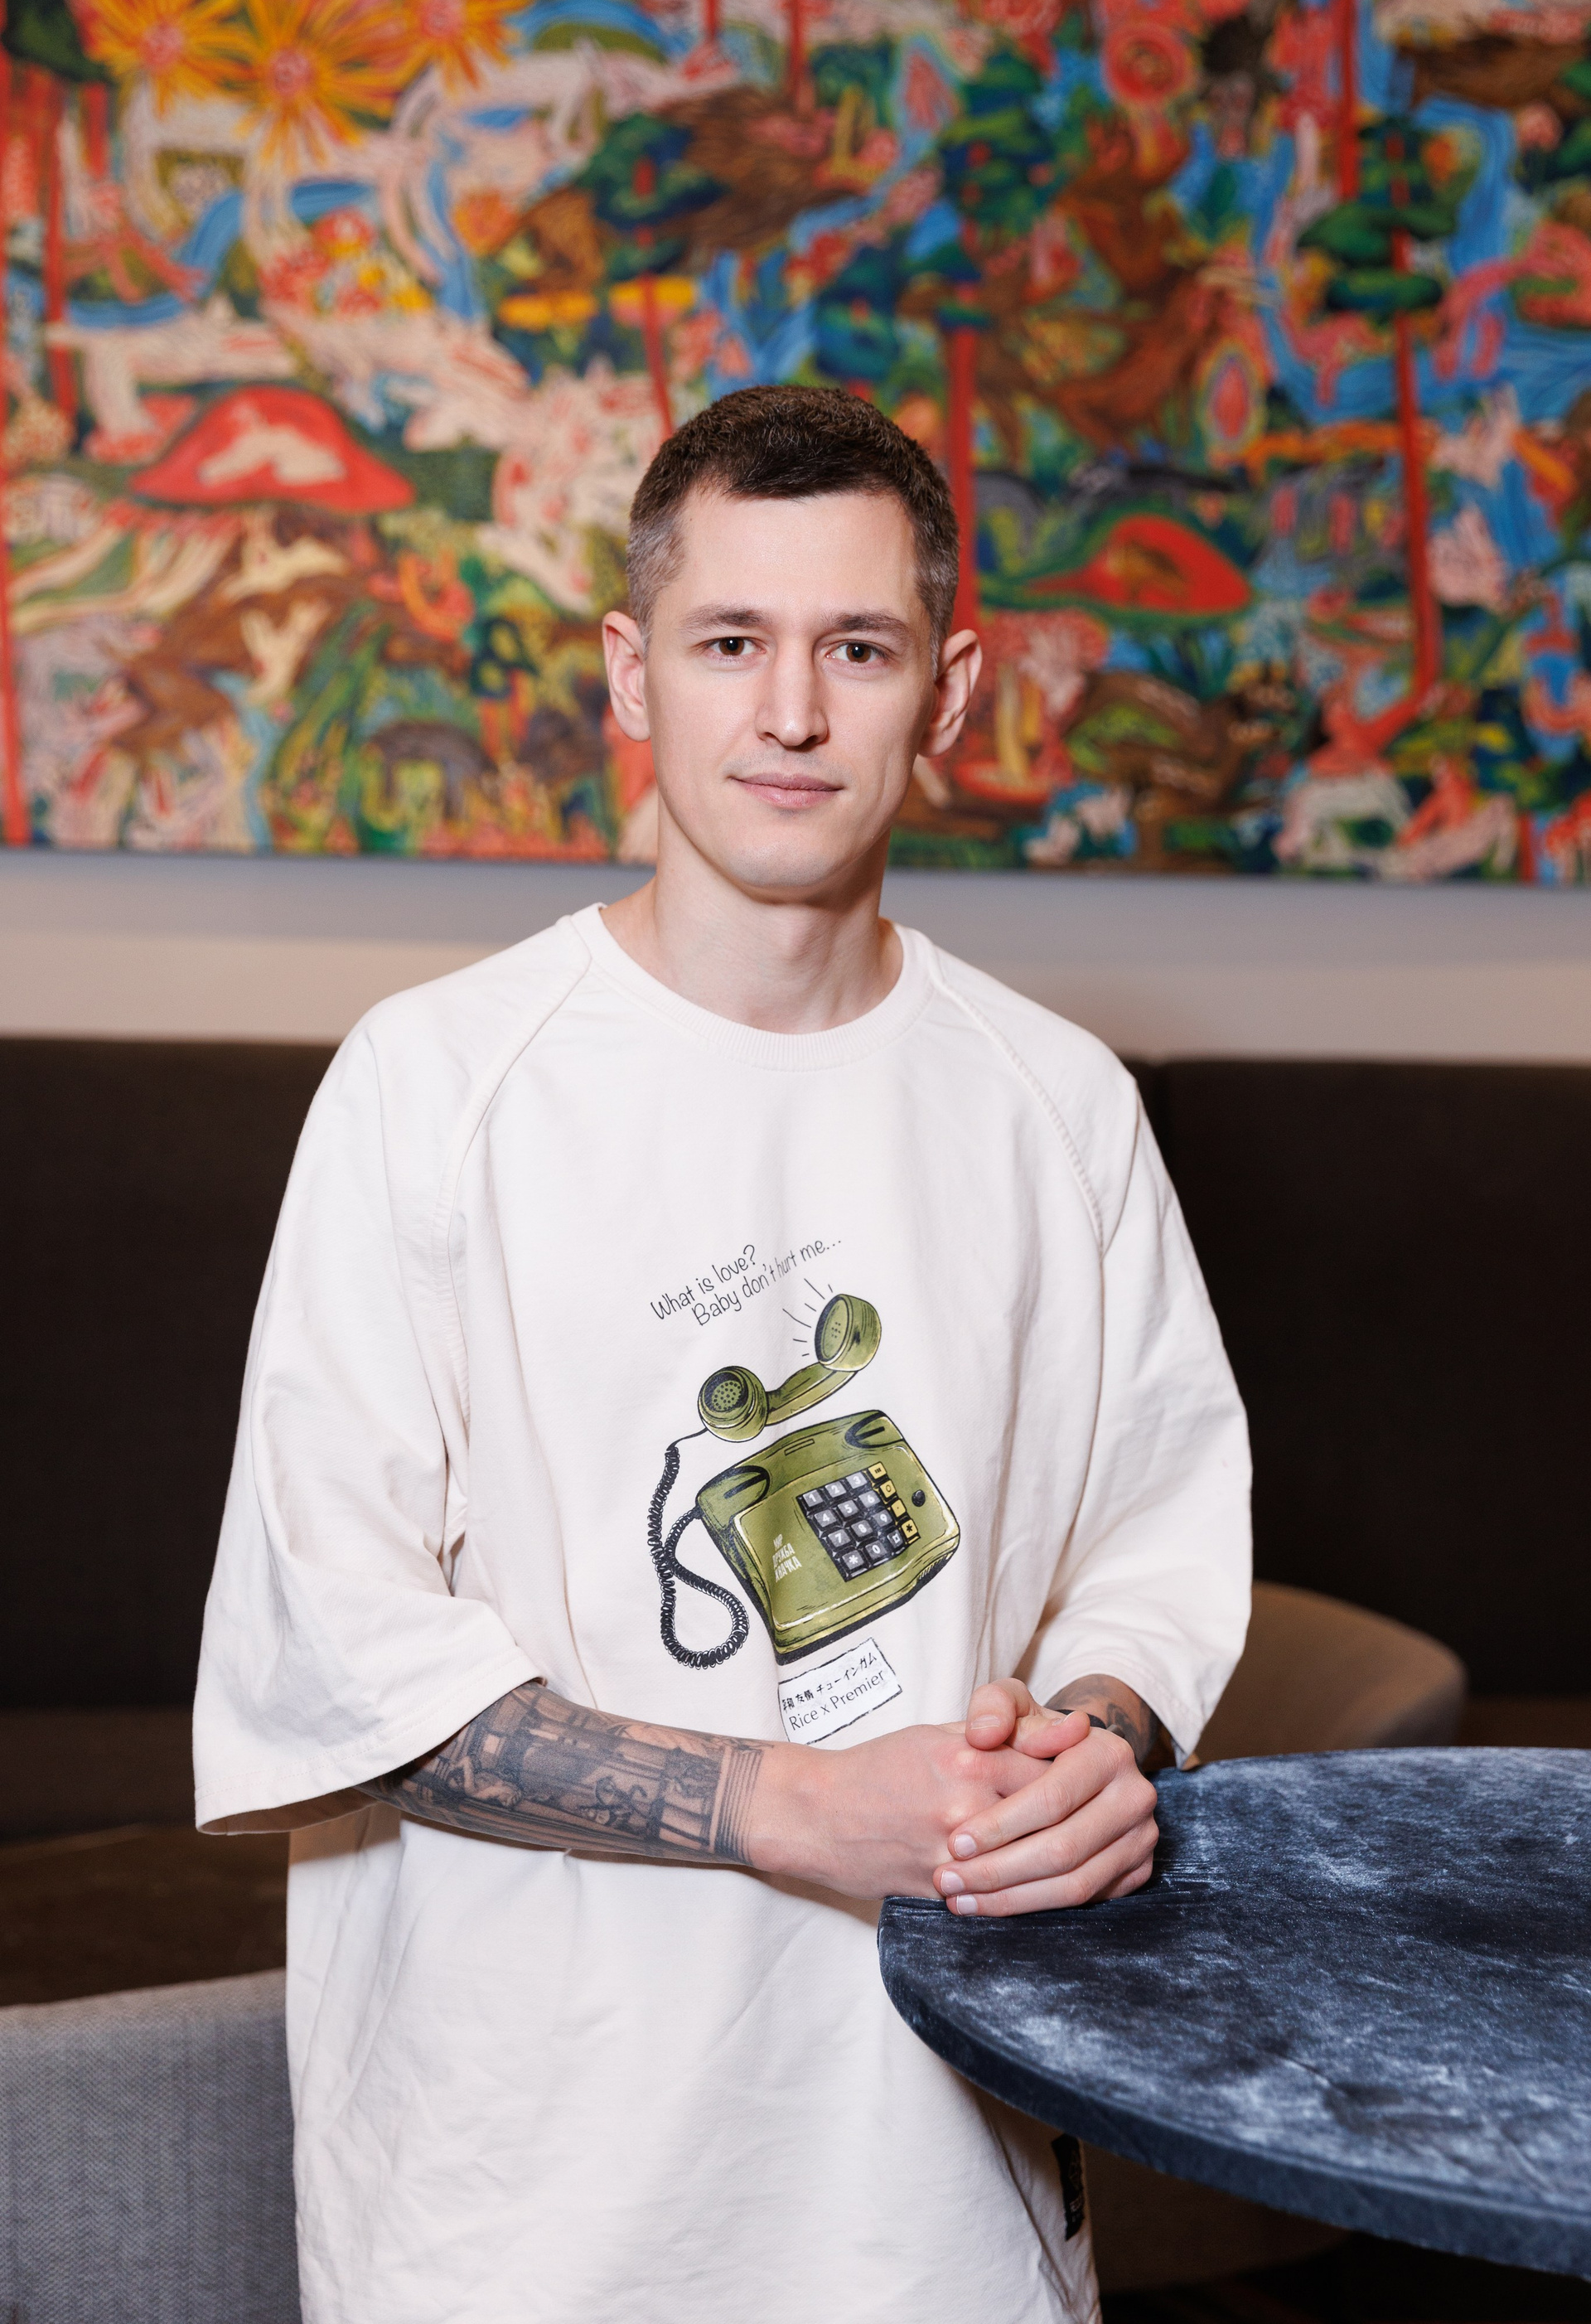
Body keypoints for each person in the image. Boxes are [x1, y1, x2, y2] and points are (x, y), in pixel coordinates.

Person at [196, 385, 1250, 2324]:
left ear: (947, 693)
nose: (789, 714)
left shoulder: (1061, 1106)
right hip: (522, 2199)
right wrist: (793, 1803)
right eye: (729, 643)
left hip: (937, 2182)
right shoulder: (432, 1088)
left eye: (857, 650)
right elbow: (335, 1650)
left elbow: (1155, 1556)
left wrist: (1100, 1752)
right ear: (632, 674)